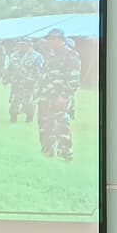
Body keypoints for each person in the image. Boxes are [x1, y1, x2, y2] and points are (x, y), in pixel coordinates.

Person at [37, 28, 81, 160]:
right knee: (45, 124)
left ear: (60, 39)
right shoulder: (49, 54)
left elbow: (74, 78)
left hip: (59, 96)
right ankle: (47, 151)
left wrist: (64, 96)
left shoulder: (71, 54)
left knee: (61, 125)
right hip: (46, 95)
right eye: (48, 39)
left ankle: (65, 153)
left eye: (52, 39)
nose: (49, 41)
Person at [4, 38, 44, 123]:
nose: (21, 46)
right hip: (16, 83)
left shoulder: (37, 56)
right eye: (20, 44)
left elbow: (40, 71)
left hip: (30, 84)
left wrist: (37, 82)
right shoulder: (14, 55)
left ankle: (29, 118)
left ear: (29, 45)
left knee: (29, 102)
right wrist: (6, 79)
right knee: (15, 101)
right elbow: (10, 68)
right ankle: (13, 118)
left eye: (24, 45)